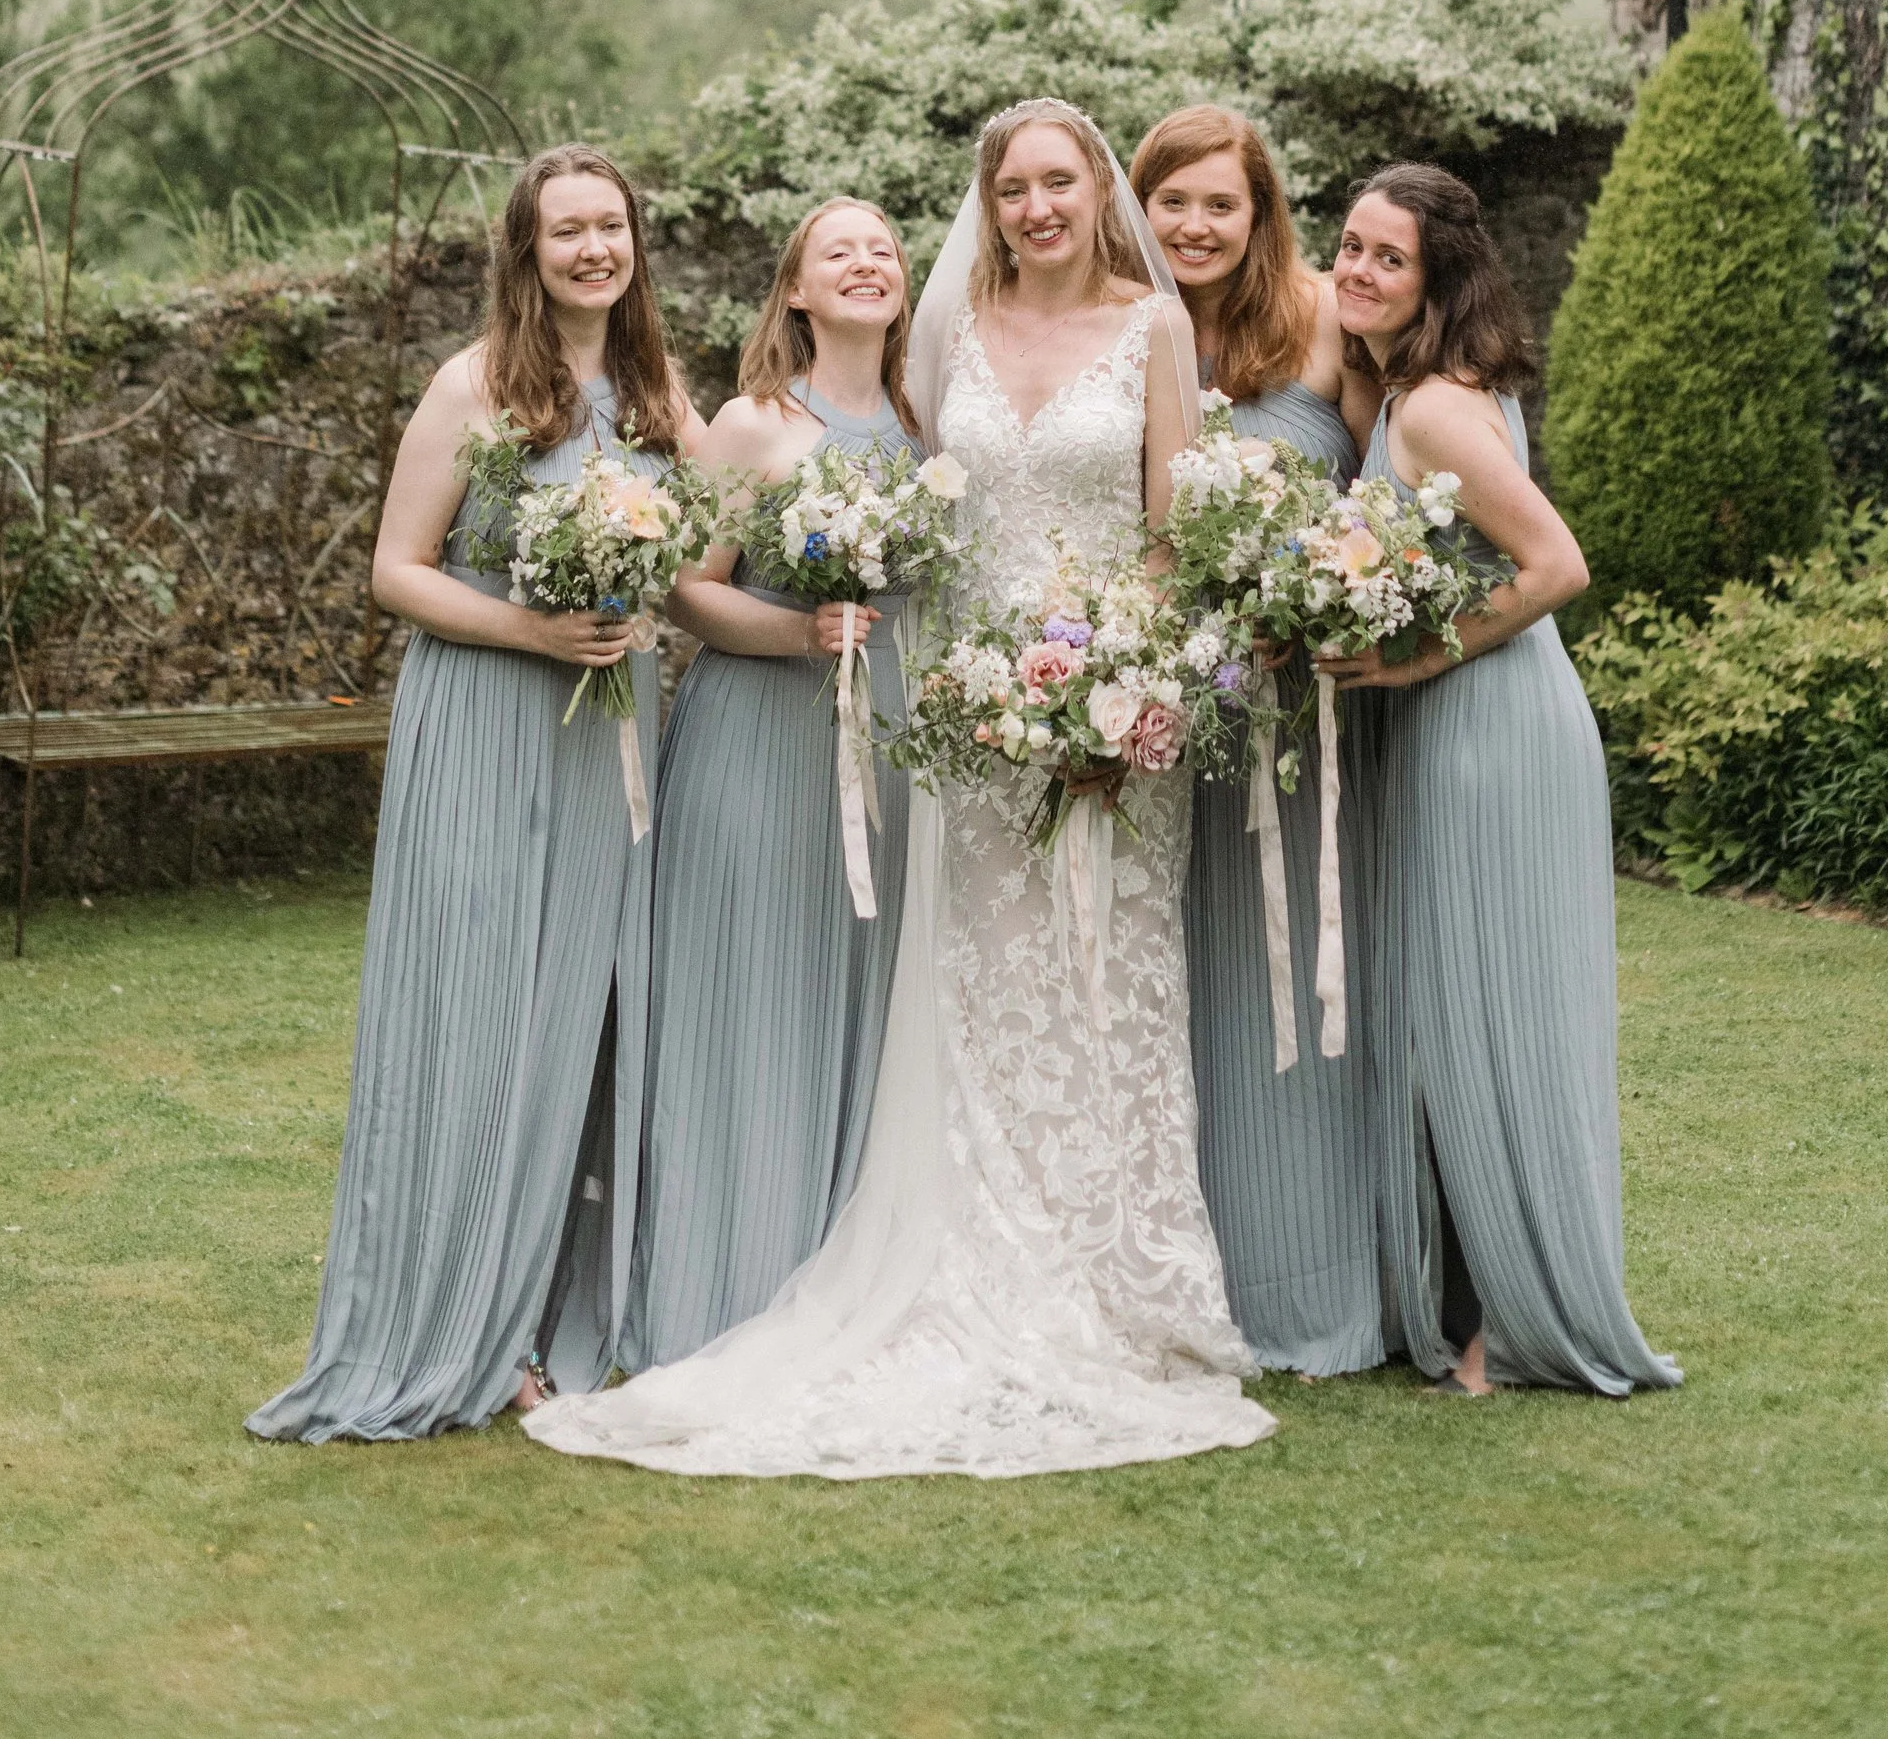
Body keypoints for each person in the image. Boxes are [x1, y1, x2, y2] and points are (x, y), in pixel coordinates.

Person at [527, 97, 1274, 1479]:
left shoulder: (1155, 330)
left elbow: (1174, 537)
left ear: (1098, 191)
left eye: (1062, 183)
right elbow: (886, 483)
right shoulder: (955, 338)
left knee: (1114, 980)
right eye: (1016, 188)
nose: (1039, 207)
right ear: (987, 204)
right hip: (962, 713)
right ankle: (970, 1256)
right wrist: (1000, 684)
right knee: (972, 992)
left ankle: (1125, 1287)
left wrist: (1107, 676)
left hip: (1103, 716)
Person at [246, 144, 703, 1442]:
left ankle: (540, 1312)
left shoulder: (659, 388)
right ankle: (448, 1320)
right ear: (526, 248)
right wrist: (535, 630)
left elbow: (713, 537)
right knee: (478, 1014)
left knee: (575, 1023)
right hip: (492, 722)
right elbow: (398, 569)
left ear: (635, 242)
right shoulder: (475, 382)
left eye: (610, 226)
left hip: (611, 737)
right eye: (567, 230)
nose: (592, 249)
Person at [1329, 161, 1679, 1402]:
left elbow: (1555, 563)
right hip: (1467, 723)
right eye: (1349, 247)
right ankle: (1474, 1309)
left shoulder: (1429, 412)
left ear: (1434, 281)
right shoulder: (1413, 392)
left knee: (1481, 1015)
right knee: (1458, 1014)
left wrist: (1416, 654)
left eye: (1385, 259)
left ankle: (1499, 1333)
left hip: (1490, 727)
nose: (1355, 271)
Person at [620, 198, 918, 1369]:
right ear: (794, 290)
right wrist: (799, 637)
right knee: (747, 994)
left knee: (859, 997)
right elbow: (686, 588)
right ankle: (723, 1276)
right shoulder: (751, 423)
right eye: (835, 250)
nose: (864, 262)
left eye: (883, 248)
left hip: (885, 743)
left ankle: (843, 1270)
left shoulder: (922, 420)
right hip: (758, 737)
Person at [1133, 103, 1381, 1376]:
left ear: (1260, 210)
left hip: (1321, 707)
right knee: (1200, 984)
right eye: (1171, 201)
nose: (1194, 225)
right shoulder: (1129, 332)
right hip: (1181, 713)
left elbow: (1400, 484)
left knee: (1321, 977)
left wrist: (1342, 599)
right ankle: (1202, 1274)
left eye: (1218, 203)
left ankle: (1329, 1279)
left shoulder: (1328, 319)